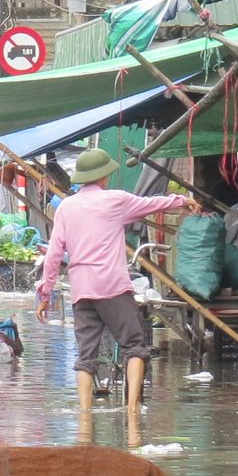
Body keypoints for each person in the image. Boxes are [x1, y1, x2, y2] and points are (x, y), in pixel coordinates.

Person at [36, 149, 199, 414]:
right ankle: (133, 410)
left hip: (81, 291)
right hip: (112, 286)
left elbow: (54, 254)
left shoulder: (66, 206)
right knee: (135, 347)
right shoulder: (116, 200)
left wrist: (45, 294)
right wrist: (183, 200)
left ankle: (85, 417)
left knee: (85, 358)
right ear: (103, 177)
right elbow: (152, 204)